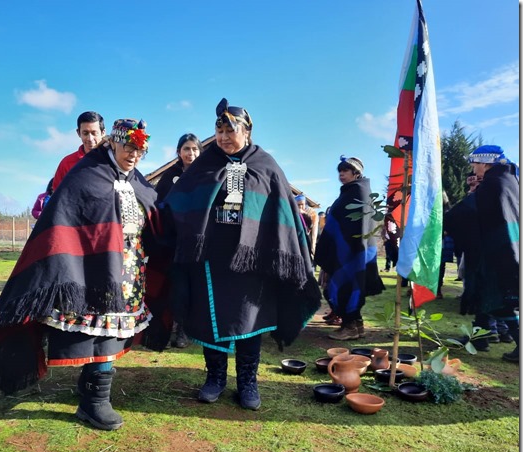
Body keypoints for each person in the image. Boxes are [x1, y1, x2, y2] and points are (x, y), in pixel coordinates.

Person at [0, 118, 159, 430]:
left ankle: (93, 393)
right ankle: (94, 402)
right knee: (97, 334)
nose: (134, 154)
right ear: (113, 142)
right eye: (129, 147)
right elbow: (65, 214)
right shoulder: (88, 174)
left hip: (129, 271)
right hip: (93, 270)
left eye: (140, 150)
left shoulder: (138, 181)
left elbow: (154, 212)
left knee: (115, 332)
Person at [161, 98, 322, 410]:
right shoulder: (206, 164)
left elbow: (282, 211)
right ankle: (215, 378)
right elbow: (178, 202)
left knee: (249, 321)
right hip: (212, 259)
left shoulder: (266, 165)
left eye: (229, 130)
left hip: (253, 260)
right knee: (213, 319)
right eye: (218, 130)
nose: (223, 137)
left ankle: (248, 381)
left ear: (247, 131)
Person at [445, 145, 519, 361]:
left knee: (499, 299)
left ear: (486, 163)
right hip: (507, 246)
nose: (472, 168)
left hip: (499, 250)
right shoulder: (509, 181)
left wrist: (443, 221)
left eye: (475, 163)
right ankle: (480, 339)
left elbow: (468, 211)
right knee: (486, 294)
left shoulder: (493, 184)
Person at [314, 155, 385, 340]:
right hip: (352, 249)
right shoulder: (354, 191)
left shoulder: (358, 193)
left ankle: (350, 326)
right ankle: (356, 325)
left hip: (352, 250)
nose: (341, 174)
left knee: (346, 286)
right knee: (351, 285)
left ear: (356, 172)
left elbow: (353, 226)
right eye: (339, 171)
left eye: (345, 171)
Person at [154, 133, 204, 349]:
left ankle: (186, 330)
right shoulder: (169, 177)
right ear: (178, 152)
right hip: (173, 243)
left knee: (193, 287)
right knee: (176, 287)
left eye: (194, 149)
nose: (190, 153)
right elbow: (158, 204)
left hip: (198, 242)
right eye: (186, 149)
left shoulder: (207, 175)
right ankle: (171, 330)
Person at [52, 111, 106, 191]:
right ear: (78, 133)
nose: (90, 138)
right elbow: (56, 194)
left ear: (103, 133)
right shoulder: (67, 163)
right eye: (85, 133)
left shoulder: (114, 159)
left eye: (94, 133)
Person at [295, 194, 318, 260]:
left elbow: (314, 229)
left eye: (302, 204)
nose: (300, 207)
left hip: (307, 239)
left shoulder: (311, 212)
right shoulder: (293, 211)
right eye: (298, 205)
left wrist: (313, 244)